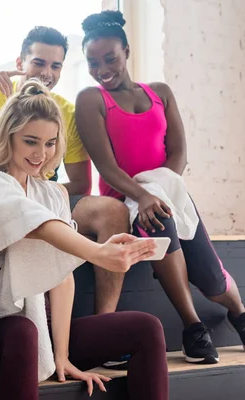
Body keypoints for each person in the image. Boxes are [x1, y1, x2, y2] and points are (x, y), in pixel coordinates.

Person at [0, 79, 168, 400]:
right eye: (30, 141)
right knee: (25, 333)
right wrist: (99, 252)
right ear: (8, 136)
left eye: (50, 143)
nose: (40, 154)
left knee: (146, 328)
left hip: (44, 327)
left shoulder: (52, 192)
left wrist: (62, 354)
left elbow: (61, 277)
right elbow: (38, 226)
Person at [75, 10, 245, 364]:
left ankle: (239, 312)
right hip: (126, 198)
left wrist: (158, 191)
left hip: (167, 192)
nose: (102, 68)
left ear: (127, 52)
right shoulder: (91, 99)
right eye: (93, 62)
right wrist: (143, 195)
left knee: (211, 278)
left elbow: (179, 153)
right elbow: (106, 166)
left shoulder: (161, 93)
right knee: (159, 223)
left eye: (110, 58)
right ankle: (192, 328)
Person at [0, 26, 131, 317]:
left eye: (56, 66)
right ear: (19, 64)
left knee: (113, 211)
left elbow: (81, 182)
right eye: (39, 62)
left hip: (42, 197)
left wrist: (42, 200)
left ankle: (103, 321)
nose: (47, 72)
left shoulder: (66, 112)